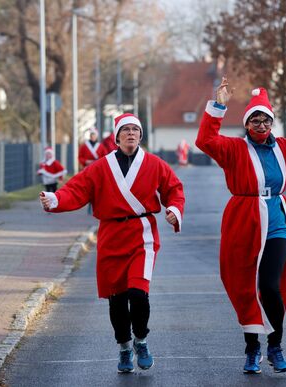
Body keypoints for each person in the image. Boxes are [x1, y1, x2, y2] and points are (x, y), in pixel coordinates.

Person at [195, 77, 286, 374]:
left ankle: (275, 345)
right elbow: (205, 141)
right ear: (247, 124)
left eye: (265, 120)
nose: (260, 124)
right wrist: (218, 106)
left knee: (271, 286)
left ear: (272, 123)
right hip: (244, 219)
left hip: (277, 221)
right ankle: (251, 347)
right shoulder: (233, 149)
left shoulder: (285, 148)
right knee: (246, 287)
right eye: (255, 120)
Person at [39, 112, 185, 373]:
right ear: (116, 137)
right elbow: (77, 189)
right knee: (116, 299)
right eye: (125, 130)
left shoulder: (154, 164)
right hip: (111, 235)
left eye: (135, 130)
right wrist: (56, 199)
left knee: (139, 293)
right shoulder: (100, 167)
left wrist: (174, 209)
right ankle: (124, 347)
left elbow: (173, 189)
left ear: (141, 135)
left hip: (142, 234)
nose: (130, 133)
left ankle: (141, 339)